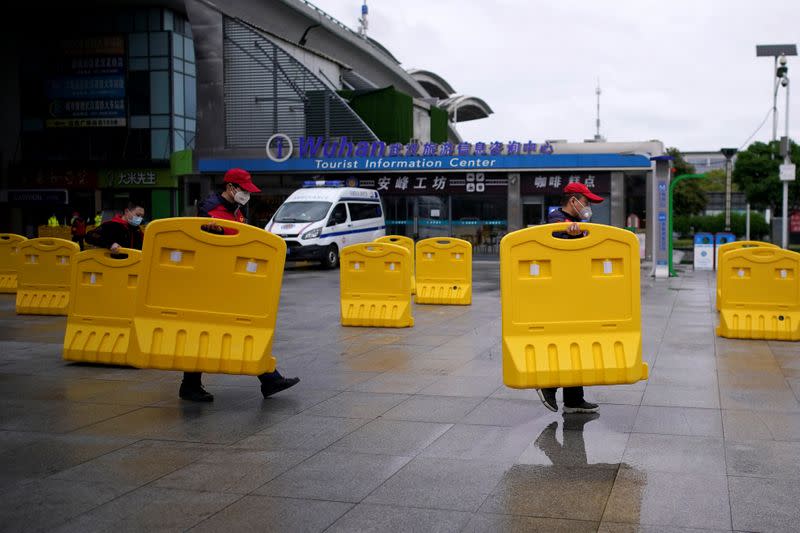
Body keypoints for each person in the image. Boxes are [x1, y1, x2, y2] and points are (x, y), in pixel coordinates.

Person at [178, 167, 300, 403]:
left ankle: (268, 379)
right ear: (230, 188)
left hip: (230, 281)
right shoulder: (210, 211)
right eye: (244, 190)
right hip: (213, 282)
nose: (247, 194)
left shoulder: (236, 211)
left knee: (240, 329)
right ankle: (191, 385)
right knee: (207, 332)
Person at [537, 182, 603, 414]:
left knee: (578, 341)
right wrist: (569, 231)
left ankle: (574, 398)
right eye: (586, 202)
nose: (588, 207)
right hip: (560, 292)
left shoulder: (578, 224)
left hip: (577, 290)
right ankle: (548, 385)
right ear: (573, 200)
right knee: (566, 341)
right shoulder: (557, 221)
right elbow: (553, 241)